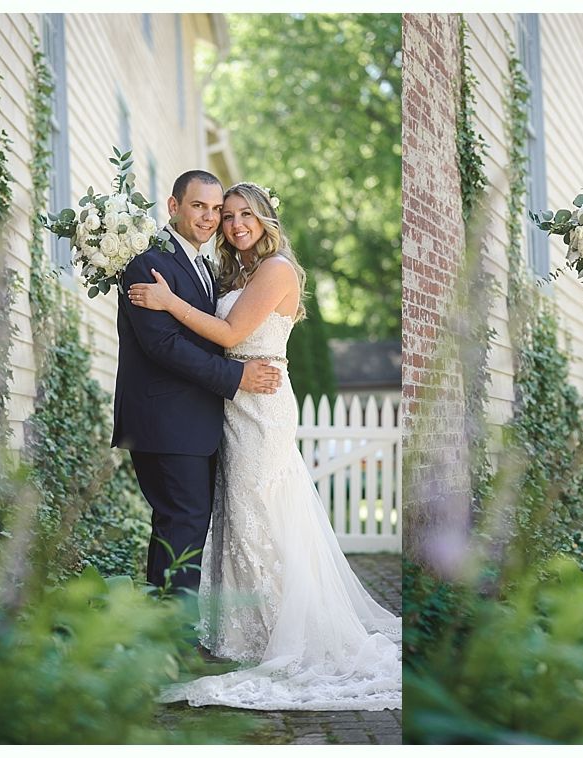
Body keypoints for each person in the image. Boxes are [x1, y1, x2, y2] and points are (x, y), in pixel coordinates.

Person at [127, 182, 401, 711]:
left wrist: (166, 301)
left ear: (266, 218)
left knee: (261, 513)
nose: (233, 224)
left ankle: (280, 630)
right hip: (230, 403)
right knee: (236, 516)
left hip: (261, 403)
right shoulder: (233, 270)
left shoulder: (276, 270)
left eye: (244, 214)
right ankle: (242, 628)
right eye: (226, 215)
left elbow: (229, 335)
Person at [113, 170, 282, 593]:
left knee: (179, 529)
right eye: (199, 207)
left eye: (215, 210)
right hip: (166, 421)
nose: (209, 218)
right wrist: (237, 375)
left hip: (196, 422)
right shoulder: (148, 263)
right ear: (174, 207)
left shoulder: (205, 266)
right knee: (183, 527)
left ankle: (165, 637)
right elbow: (163, 346)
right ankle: (177, 644)